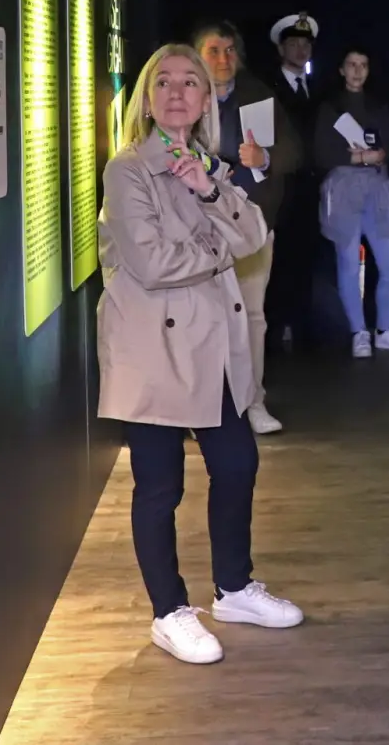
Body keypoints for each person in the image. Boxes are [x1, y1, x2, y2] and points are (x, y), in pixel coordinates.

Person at [95, 44, 304, 665]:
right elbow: (155, 264)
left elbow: (255, 233)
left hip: (211, 345)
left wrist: (211, 190)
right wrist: (220, 252)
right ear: (147, 97)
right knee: (160, 485)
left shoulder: (206, 163)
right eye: (166, 82)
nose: (179, 92)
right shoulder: (128, 168)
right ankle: (169, 611)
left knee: (237, 464)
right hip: (152, 349)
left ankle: (235, 588)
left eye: (192, 83)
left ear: (207, 100)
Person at [195, 21, 299, 436]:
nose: (223, 59)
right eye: (213, 51)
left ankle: (253, 400)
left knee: (252, 315)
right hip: (197, 228)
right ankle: (204, 404)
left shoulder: (259, 95)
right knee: (200, 316)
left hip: (252, 224)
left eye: (229, 51)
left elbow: (293, 150)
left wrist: (264, 157)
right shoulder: (186, 96)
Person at [314, 47, 389, 358]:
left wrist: (383, 154)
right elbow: (320, 152)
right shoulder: (331, 106)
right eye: (352, 64)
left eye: (363, 65)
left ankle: (384, 330)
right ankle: (359, 331)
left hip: (378, 187)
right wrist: (356, 156)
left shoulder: (378, 104)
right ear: (341, 70)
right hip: (343, 187)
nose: (358, 71)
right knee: (348, 263)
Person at [266, 12, 321, 348]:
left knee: (305, 257)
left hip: (309, 188)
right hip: (279, 185)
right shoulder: (267, 88)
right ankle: (272, 332)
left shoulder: (317, 89)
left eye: (305, 44)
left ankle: (302, 330)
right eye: (294, 44)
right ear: (281, 49)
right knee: (277, 260)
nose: (301, 50)